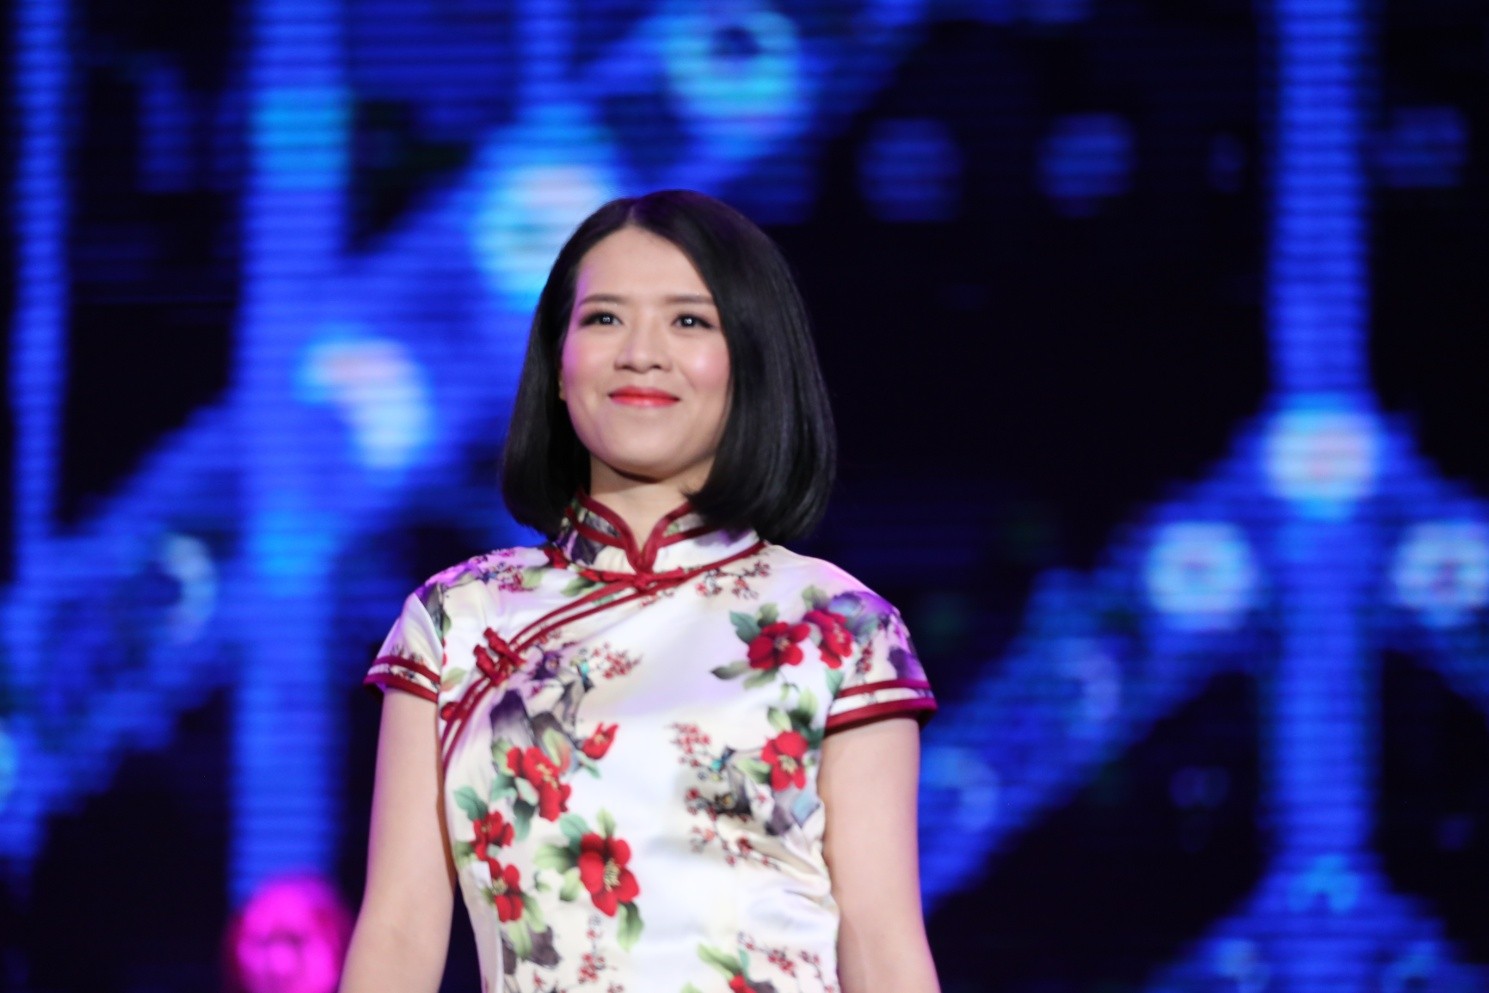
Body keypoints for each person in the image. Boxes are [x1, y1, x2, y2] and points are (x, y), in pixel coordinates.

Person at [340, 189, 941, 993]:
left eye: (688, 320)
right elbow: (399, 929)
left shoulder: (838, 626)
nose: (640, 353)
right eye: (604, 318)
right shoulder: (457, 621)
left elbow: (881, 937)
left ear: (749, 363)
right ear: (558, 367)